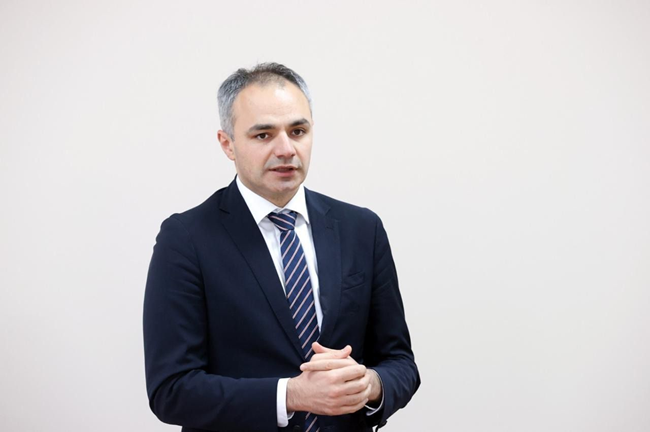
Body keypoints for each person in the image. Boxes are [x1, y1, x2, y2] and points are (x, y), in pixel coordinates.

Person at [143, 63, 420, 432]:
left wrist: (370, 385)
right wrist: (291, 395)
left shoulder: (361, 228)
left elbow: (400, 362)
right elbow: (171, 390)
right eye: (263, 135)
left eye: (298, 131)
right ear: (227, 144)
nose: (286, 149)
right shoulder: (186, 238)